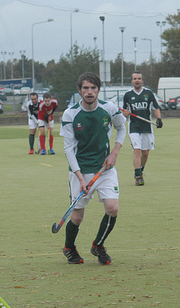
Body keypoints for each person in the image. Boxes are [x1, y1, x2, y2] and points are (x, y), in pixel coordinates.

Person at [59, 72, 126, 265]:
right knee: (78, 216)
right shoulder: (70, 114)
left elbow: (122, 128)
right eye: (85, 88)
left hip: (105, 169)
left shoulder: (109, 108)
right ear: (79, 91)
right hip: (80, 170)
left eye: (93, 88)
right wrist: (80, 178)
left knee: (112, 208)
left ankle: (98, 245)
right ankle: (69, 247)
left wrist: (114, 152)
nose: (89, 92)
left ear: (98, 89)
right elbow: (68, 149)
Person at [122, 71, 163, 185]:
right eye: (135, 78)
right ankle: (138, 175)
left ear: (142, 80)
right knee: (137, 150)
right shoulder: (128, 95)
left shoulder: (148, 93)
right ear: (132, 81)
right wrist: (125, 114)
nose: (137, 80)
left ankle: (141, 170)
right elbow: (125, 110)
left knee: (145, 153)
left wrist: (159, 119)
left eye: (139, 78)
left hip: (147, 127)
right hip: (134, 127)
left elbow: (155, 107)